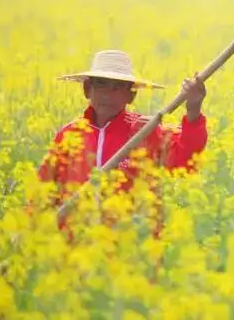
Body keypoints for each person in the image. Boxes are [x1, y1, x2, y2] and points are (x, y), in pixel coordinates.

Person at [37, 49, 208, 219]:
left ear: (131, 95)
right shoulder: (69, 135)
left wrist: (193, 109)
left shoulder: (144, 130)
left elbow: (185, 162)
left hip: (132, 240)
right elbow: (42, 193)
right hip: (76, 241)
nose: (108, 94)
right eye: (101, 84)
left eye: (117, 87)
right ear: (87, 89)